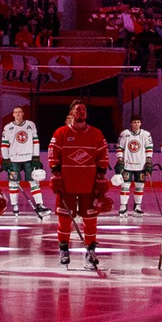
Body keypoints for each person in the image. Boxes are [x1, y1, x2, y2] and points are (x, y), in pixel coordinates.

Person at [48, 101, 112, 270]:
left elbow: (103, 156)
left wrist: (100, 176)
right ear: (71, 114)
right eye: (78, 110)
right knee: (64, 219)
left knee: (90, 220)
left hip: (88, 185)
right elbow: (53, 155)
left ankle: (90, 251)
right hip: (67, 184)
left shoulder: (96, 134)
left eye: (84, 109)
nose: (81, 112)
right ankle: (64, 250)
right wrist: (56, 174)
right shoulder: (61, 133)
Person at [0, 106, 45, 216]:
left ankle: (39, 204)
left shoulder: (30, 125)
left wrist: (36, 157)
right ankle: (15, 205)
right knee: (13, 183)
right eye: (16, 112)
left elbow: (36, 141)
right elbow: (4, 145)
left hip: (29, 159)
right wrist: (6, 160)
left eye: (20, 112)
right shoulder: (8, 127)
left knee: (34, 182)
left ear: (23, 113)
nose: (18, 114)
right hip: (14, 159)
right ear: (13, 114)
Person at [116, 115, 154, 215]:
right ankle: (123, 205)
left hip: (140, 166)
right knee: (125, 185)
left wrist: (148, 162)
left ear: (141, 123)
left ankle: (137, 206)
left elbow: (149, 148)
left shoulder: (146, 134)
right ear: (131, 123)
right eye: (134, 122)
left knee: (140, 186)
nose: (136, 124)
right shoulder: (125, 134)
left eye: (138, 122)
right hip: (127, 165)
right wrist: (120, 160)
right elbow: (120, 147)